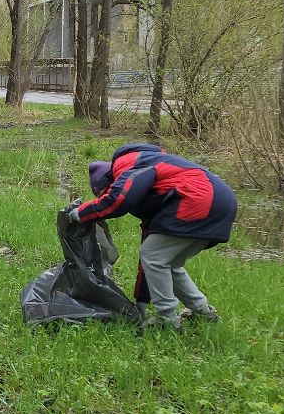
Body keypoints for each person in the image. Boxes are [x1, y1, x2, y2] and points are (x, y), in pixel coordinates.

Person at [71, 141, 237, 330]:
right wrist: (141, 302)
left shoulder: (129, 163)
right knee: (167, 262)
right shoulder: (153, 188)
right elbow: (147, 257)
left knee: (154, 256)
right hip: (221, 201)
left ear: (111, 181)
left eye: (103, 192)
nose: (106, 195)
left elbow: (117, 201)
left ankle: (167, 320)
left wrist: (79, 214)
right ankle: (203, 312)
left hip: (199, 199)